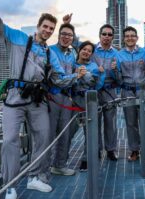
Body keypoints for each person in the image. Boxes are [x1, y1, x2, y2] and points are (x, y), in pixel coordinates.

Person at [0, 0, 85, 199]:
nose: (47, 30)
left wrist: (76, 75)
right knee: (9, 140)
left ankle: (37, 177)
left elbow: (59, 79)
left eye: (51, 29)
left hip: (38, 100)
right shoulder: (17, 38)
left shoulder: (50, 53)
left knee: (43, 137)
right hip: (15, 98)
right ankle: (10, 186)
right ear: (38, 26)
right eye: (45, 27)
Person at [115, 26, 145, 164]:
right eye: (127, 36)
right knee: (130, 123)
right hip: (127, 91)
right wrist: (115, 71)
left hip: (143, 91)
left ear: (137, 38)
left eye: (132, 35)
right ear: (124, 39)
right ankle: (134, 150)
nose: (130, 38)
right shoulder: (119, 54)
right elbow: (118, 77)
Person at [45, 20, 78, 179]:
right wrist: (76, 76)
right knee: (49, 134)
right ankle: (43, 170)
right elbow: (57, 78)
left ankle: (60, 165)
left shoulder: (72, 54)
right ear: (58, 35)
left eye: (70, 35)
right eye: (63, 34)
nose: (66, 37)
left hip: (67, 98)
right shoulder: (50, 51)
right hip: (52, 96)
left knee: (65, 133)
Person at [71, 41, 105, 171]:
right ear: (79, 50)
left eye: (89, 51)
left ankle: (87, 158)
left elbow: (97, 85)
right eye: (84, 49)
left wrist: (100, 74)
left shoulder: (94, 66)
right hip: (73, 101)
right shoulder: (72, 64)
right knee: (69, 131)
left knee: (90, 132)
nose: (86, 52)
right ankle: (59, 161)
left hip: (88, 101)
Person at [91, 24, 120, 161]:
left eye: (109, 34)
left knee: (111, 123)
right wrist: (67, 23)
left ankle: (110, 150)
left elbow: (120, 76)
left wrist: (115, 70)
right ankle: (96, 150)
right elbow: (75, 43)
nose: (106, 37)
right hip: (94, 91)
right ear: (99, 35)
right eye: (104, 34)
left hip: (110, 90)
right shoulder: (92, 50)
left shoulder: (117, 53)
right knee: (95, 122)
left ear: (113, 37)